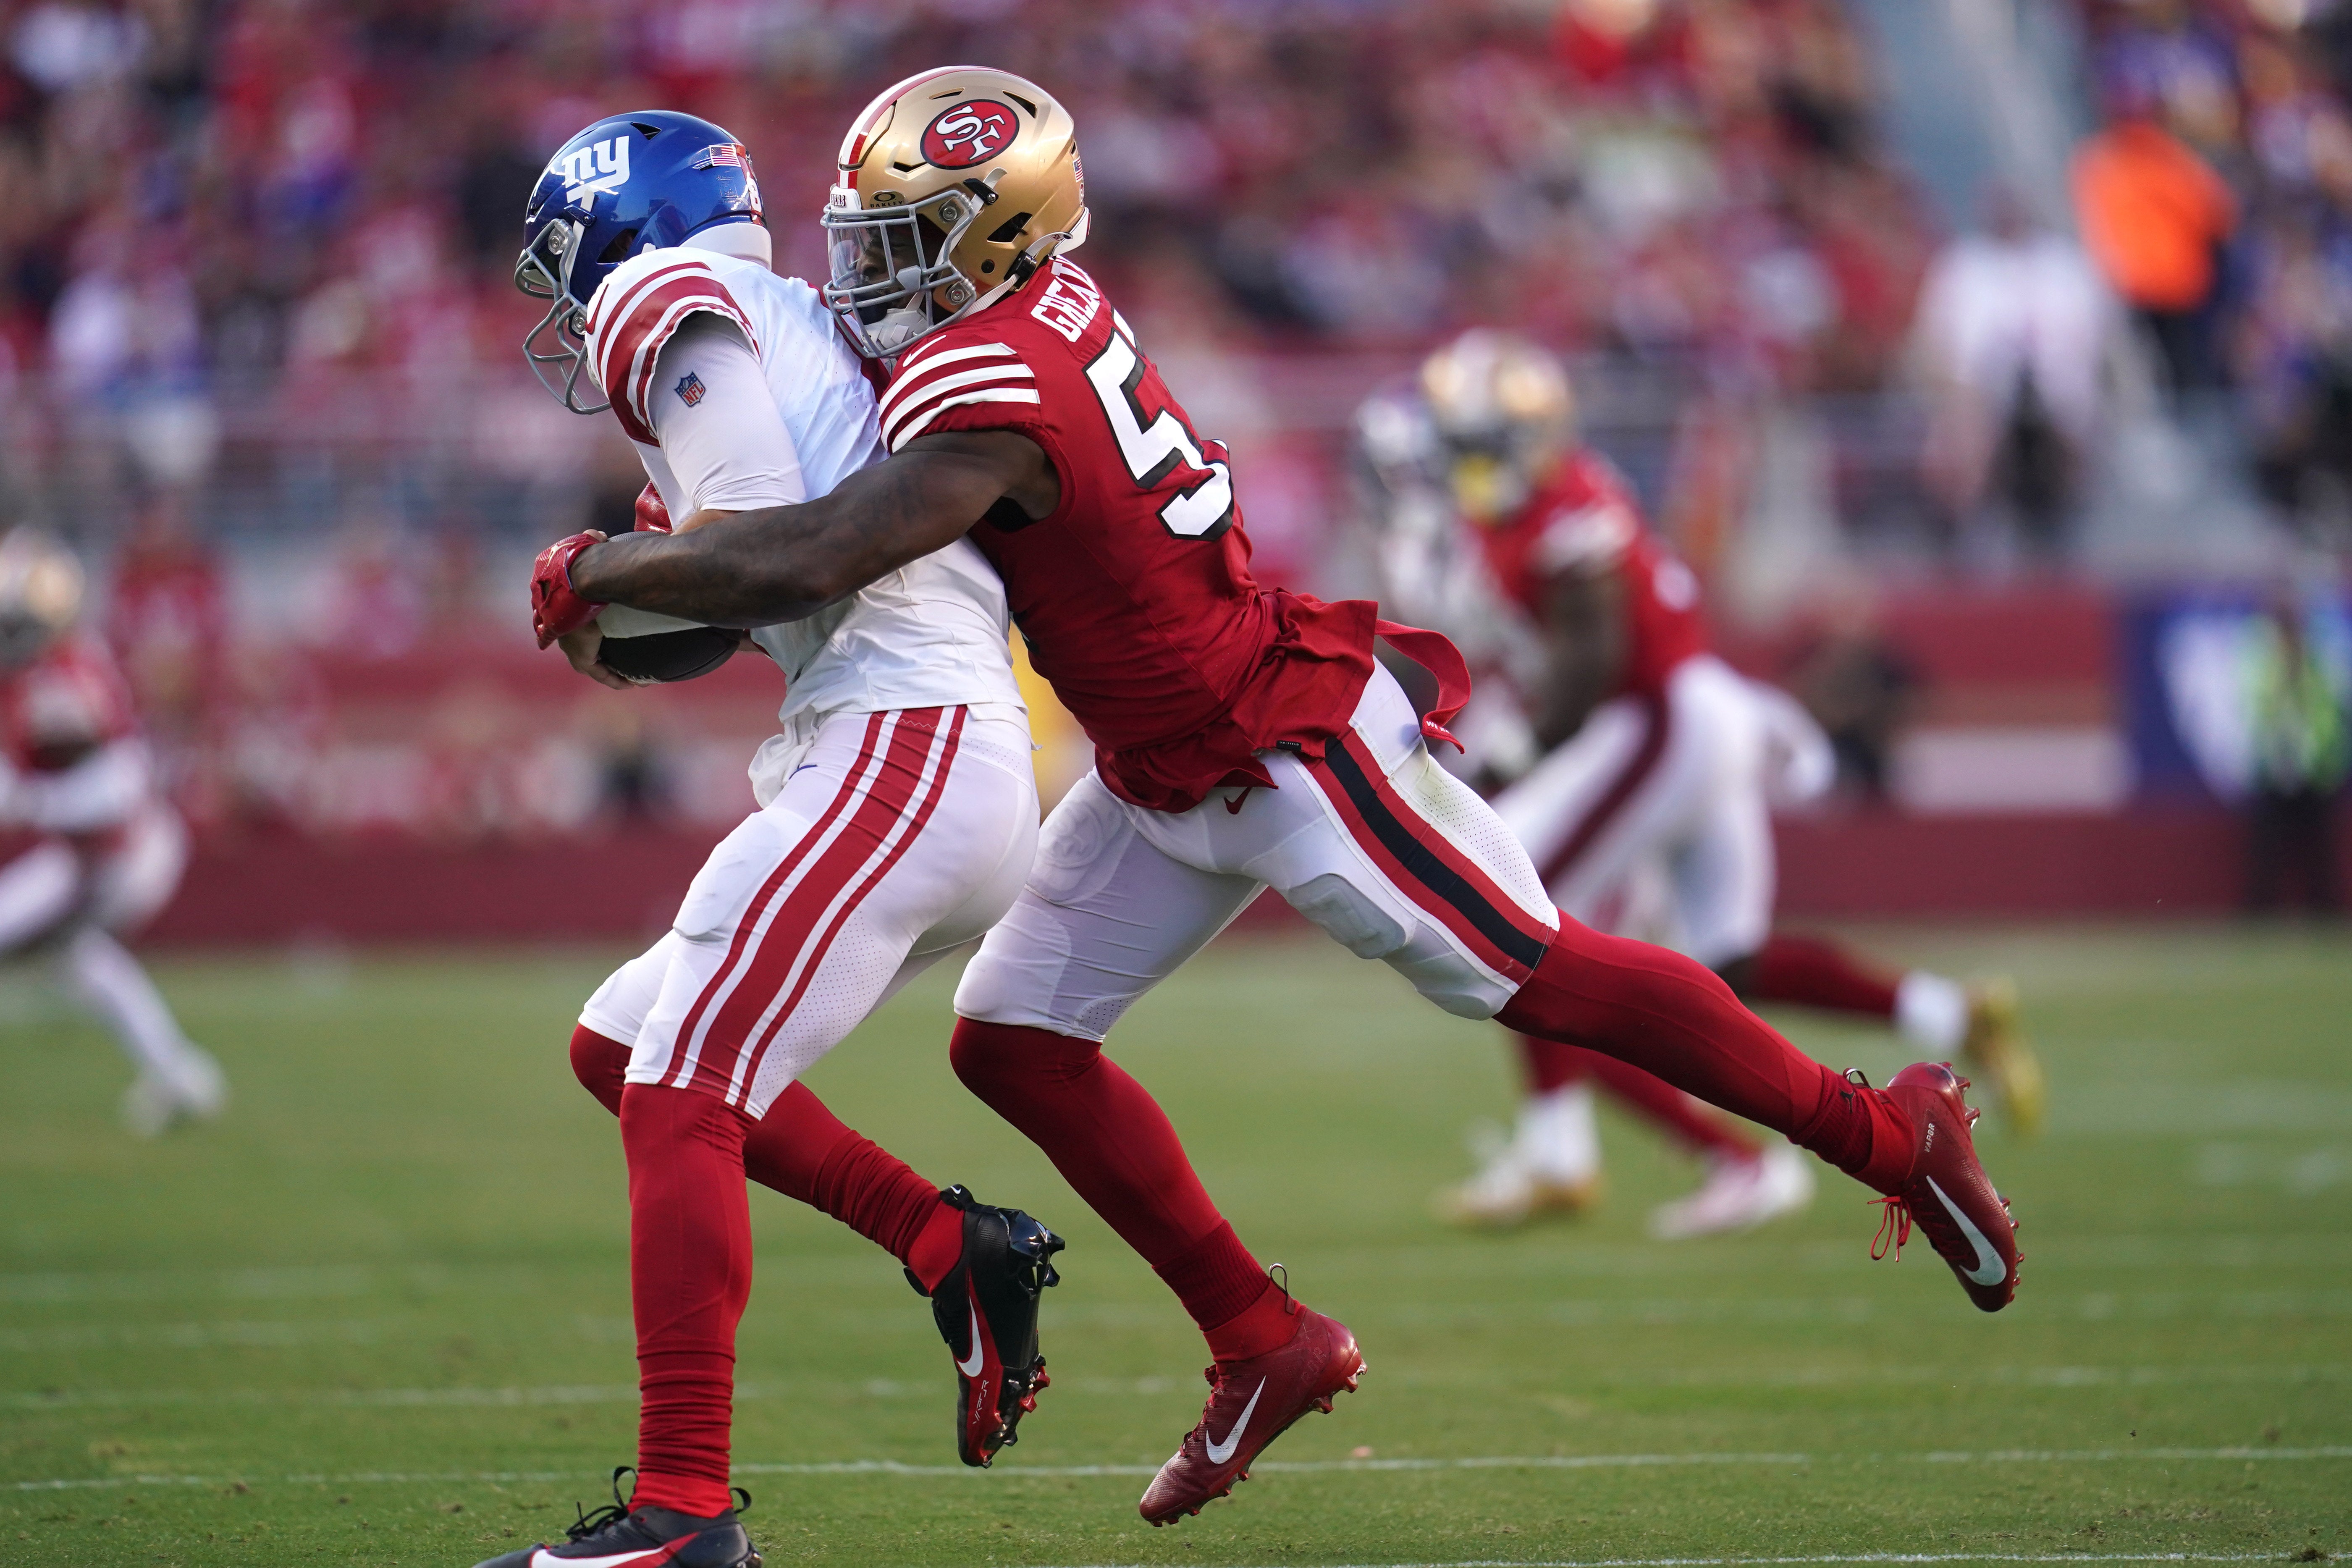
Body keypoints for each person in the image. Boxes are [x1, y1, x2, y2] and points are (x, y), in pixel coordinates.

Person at [530, 67, 2022, 1530]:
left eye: (899, 239)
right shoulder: (1014, 316)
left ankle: (1889, 1132)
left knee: (1537, 973)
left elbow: (817, 552)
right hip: (1156, 756)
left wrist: (606, 566)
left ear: (994, 237)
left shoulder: (991, 378)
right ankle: (1260, 1334)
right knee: (1014, 1045)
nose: (862, 270)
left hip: (1281, 740)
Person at [488, 111, 1065, 1568]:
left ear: (617, 233)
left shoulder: (660, 298)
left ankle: (682, 1516)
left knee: (681, 1084)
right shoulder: (794, 319)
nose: (569, 301)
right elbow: (747, 583)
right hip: (927, 744)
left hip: (902, 742)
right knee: (624, 1047)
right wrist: (644, 592)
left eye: (567, 264)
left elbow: (762, 534)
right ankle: (953, 1247)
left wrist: (598, 571)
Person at [1364, 332, 2048, 1238]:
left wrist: (1509, 755)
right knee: (1727, 960)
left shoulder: (1559, 511)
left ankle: (1568, 1149)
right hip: (1684, 712)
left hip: (1665, 718)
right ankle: (1943, 1012)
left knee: (1520, 927)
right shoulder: (1517, 512)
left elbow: (1591, 657)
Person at [0, 528, 224, 1135]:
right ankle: (180, 1073)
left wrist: (29, 798)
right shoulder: (56, 667)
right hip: (98, 850)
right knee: (80, 960)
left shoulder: (64, 681)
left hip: (109, 856)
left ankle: (180, 1071)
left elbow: (103, 790)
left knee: (66, 949)